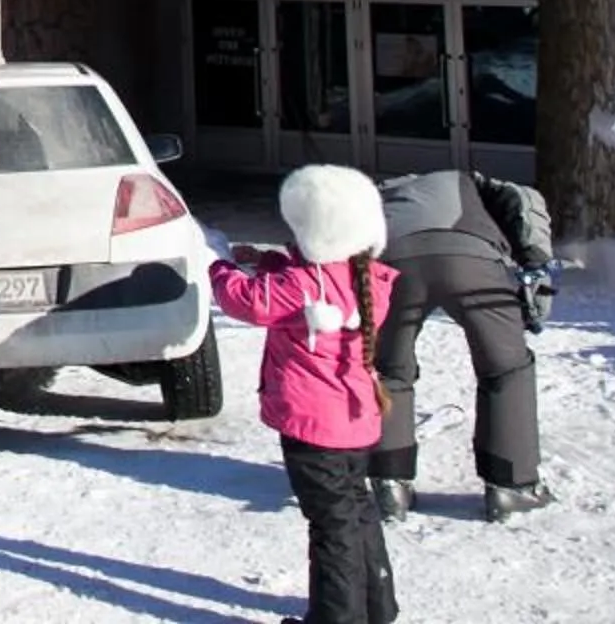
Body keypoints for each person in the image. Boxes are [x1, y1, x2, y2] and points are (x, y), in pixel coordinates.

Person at [210, 165, 399, 624]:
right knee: (357, 511)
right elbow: (298, 280)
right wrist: (267, 259)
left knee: (330, 528)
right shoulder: (364, 274)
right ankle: (378, 607)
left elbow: (247, 300)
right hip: (355, 421)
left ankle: (337, 617)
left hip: (313, 428)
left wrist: (215, 262)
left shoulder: (304, 285)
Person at [372, 168, 556, 522]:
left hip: (394, 265)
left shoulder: (376, 195)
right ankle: (511, 487)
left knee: (389, 370)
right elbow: (526, 204)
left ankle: (389, 486)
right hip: (472, 260)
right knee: (506, 368)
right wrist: (536, 272)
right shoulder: (476, 182)